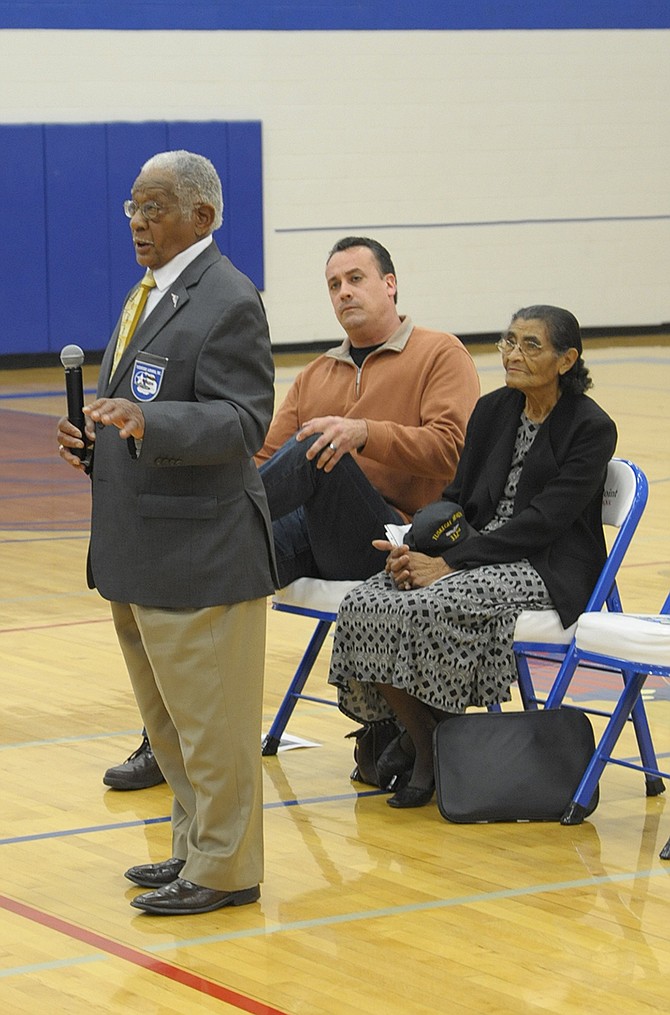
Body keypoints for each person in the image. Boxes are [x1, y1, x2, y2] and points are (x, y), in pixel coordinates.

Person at [103, 234, 481, 787]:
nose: (344, 292)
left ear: (390, 284)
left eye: (356, 279)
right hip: (316, 535)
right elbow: (253, 460)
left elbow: (452, 446)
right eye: (333, 285)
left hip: (395, 542)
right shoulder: (316, 375)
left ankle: (218, 530)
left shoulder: (439, 352)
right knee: (197, 584)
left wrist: (363, 434)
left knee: (313, 451)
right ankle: (167, 743)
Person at [57, 150, 276, 915]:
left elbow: (245, 421)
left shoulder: (229, 298)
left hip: (202, 551)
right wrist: (102, 439)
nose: (137, 223)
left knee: (213, 728)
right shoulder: (150, 292)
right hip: (140, 546)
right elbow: (143, 402)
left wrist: (149, 419)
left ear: (201, 216)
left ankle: (227, 868)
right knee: (173, 726)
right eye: (132, 208)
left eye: (153, 208)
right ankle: (193, 844)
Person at [328, 304, 618, 808]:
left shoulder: (591, 428)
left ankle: (425, 754)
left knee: (427, 603)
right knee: (366, 601)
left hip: (545, 565)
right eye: (509, 341)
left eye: (531, 345)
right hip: (473, 551)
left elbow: (542, 523)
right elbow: (457, 497)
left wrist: (449, 564)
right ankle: (429, 741)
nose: (513, 354)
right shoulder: (493, 410)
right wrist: (412, 545)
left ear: (567, 360)